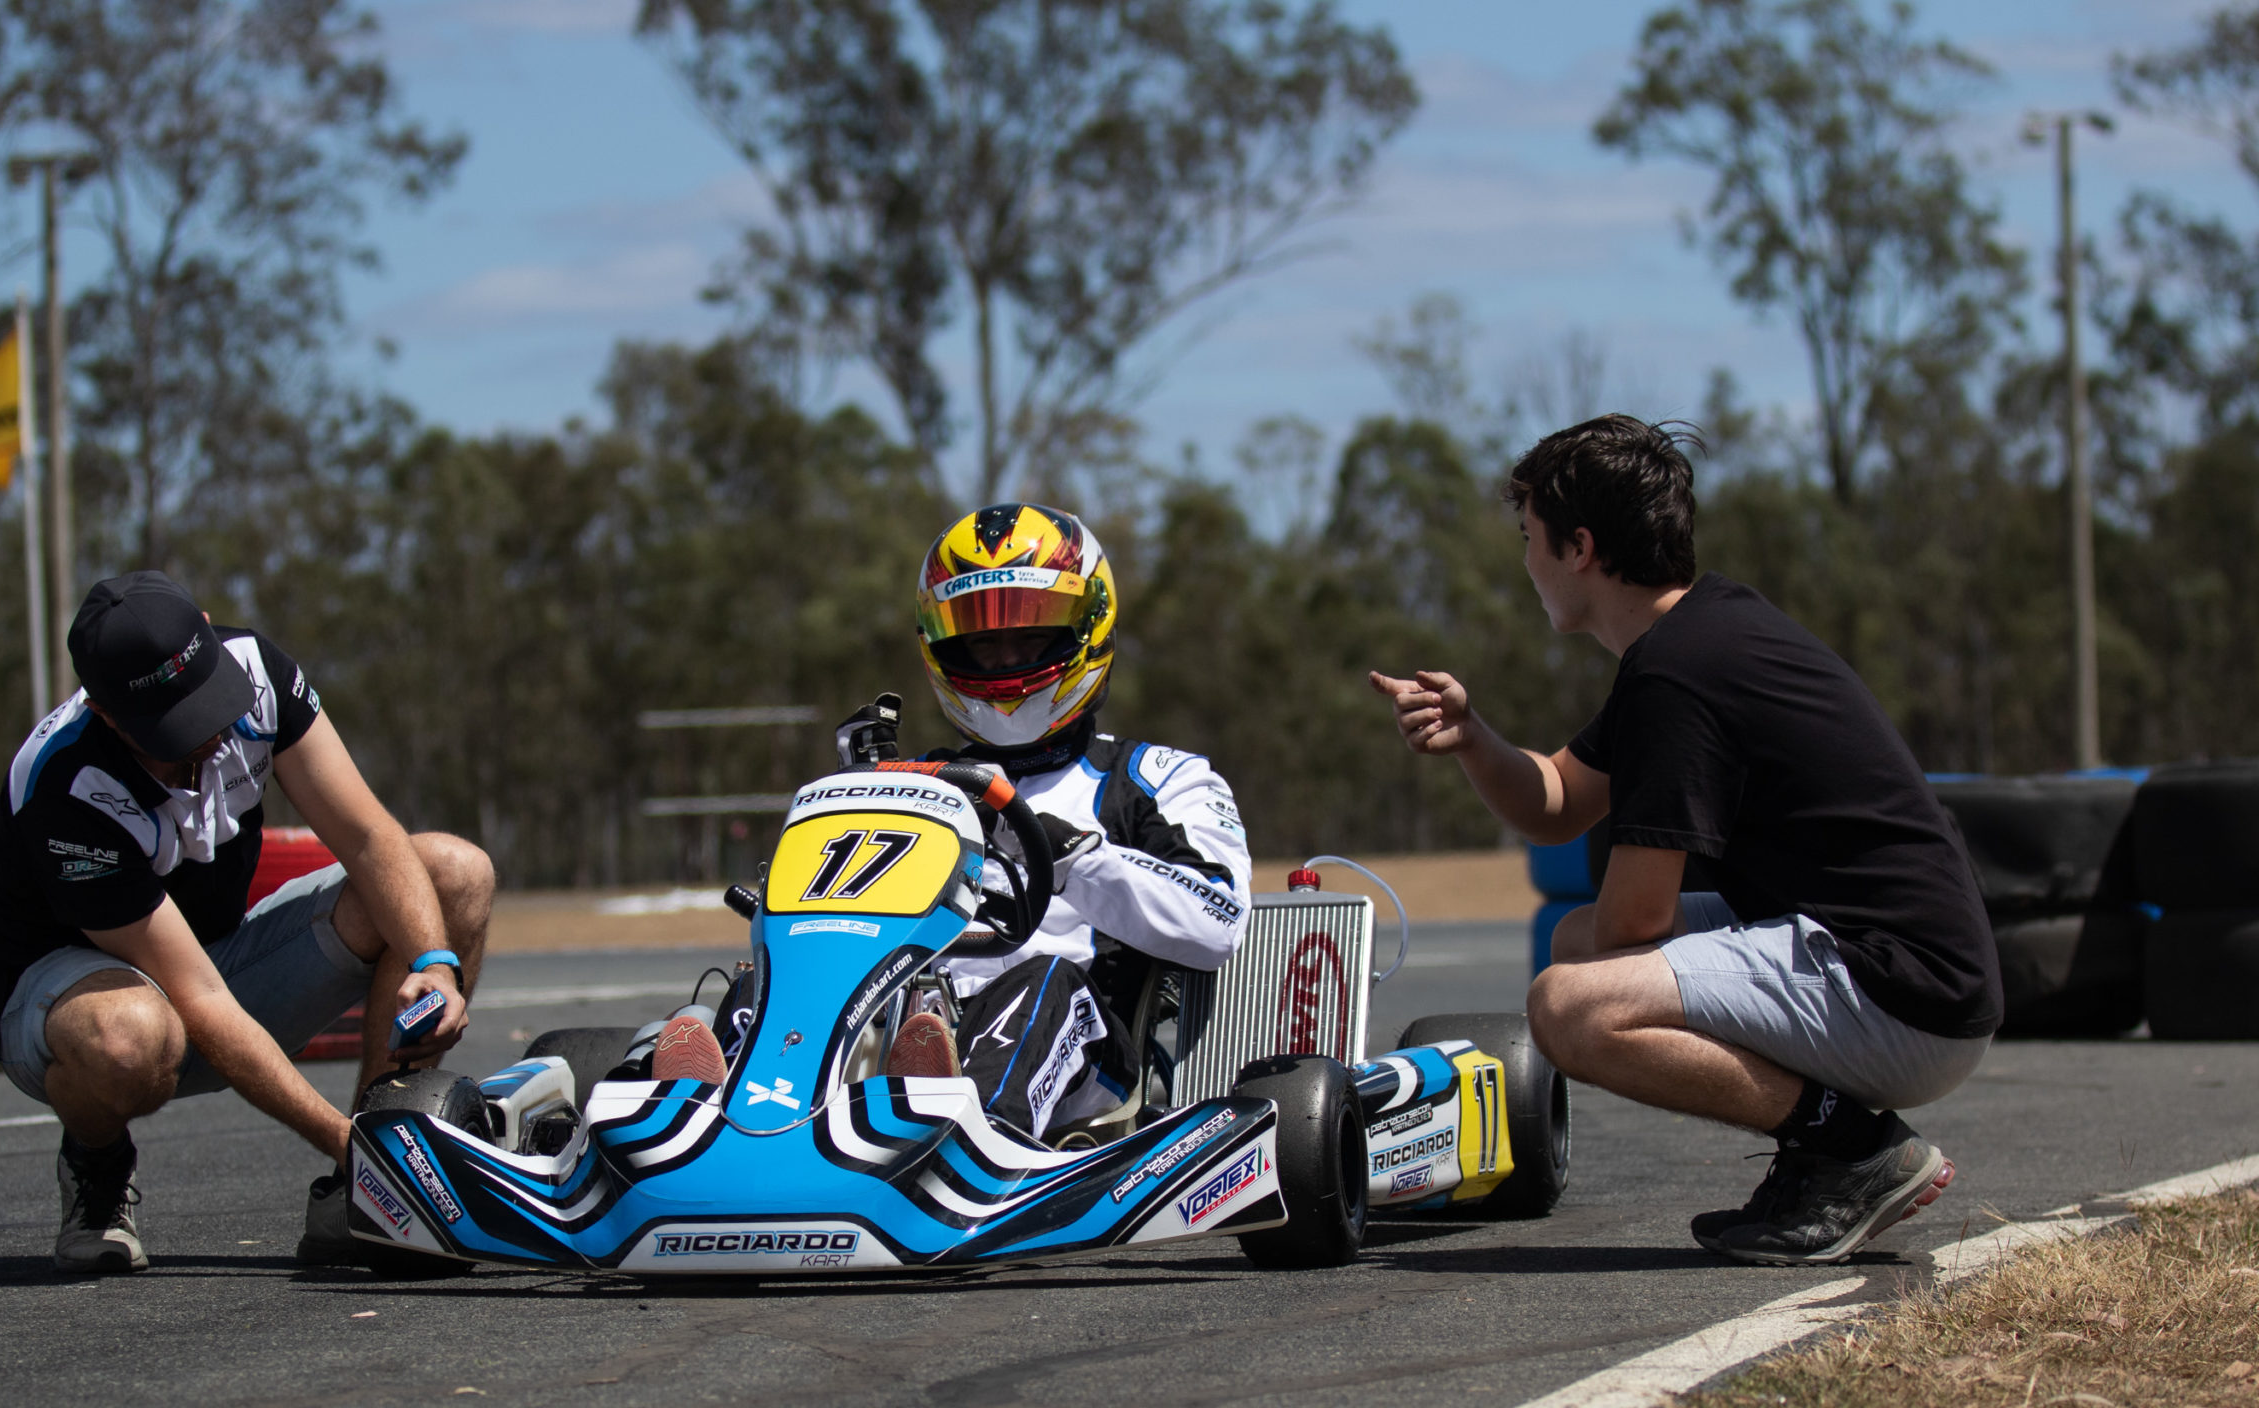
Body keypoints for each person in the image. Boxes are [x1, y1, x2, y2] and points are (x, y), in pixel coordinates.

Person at [1371, 416, 1999, 1265]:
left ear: (1580, 547)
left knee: (1568, 1004)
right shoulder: (1699, 635)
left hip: (1900, 992)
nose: (1525, 563)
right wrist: (1474, 735)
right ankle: (1834, 1148)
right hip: (1909, 969)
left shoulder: (1679, 673)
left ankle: (1852, 1149)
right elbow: (1557, 801)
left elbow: (1636, 923)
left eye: (1530, 539)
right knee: (1573, 941)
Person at [653, 503, 1253, 1144]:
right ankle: (700, 1126)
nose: (1005, 662)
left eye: (1030, 636)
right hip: (903, 1013)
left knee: (1041, 979)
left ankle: (969, 1138)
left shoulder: (1157, 778)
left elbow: (1218, 923)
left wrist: (1080, 859)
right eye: (983, 643)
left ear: (1086, 629)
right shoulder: (914, 780)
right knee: (768, 983)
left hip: (1083, 1050)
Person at [0, 571, 495, 1273]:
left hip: (214, 961)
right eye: (175, 725)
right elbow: (201, 1001)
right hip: (73, 1001)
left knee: (454, 875)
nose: (210, 733)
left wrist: (435, 963)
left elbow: (369, 838)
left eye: (210, 701)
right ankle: (98, 1161)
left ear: (209, 629)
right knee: (130, 1038)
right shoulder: (65, 786)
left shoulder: (260, 671)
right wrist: (347, 1145)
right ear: (107, 714)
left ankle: (364, 1197)